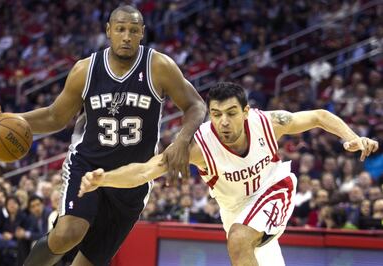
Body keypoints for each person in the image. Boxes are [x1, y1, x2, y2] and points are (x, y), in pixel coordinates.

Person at [0, 5, 205, 266]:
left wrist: (182, 140)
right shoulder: (85, 70)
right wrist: (12, 120)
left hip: (133, 178)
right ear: (109, 31)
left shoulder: (159, 66)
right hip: (87, 166)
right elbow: (56, 116)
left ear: (142, 32)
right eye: (120, 29)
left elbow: (196, 105)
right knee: (68, 233)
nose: (127, 36)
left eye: (133, 30)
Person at [78, 82, 379, 266]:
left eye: (232, 113)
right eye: (217, 114)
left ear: (246, 111)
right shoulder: (197, 147)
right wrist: (104, 178)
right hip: (234, 210)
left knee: (238, 238)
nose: (224, 122)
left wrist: (351, 136)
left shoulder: (268, 122)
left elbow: (318, 116)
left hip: (274, 187)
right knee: (243, 241)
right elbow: (145, 170)